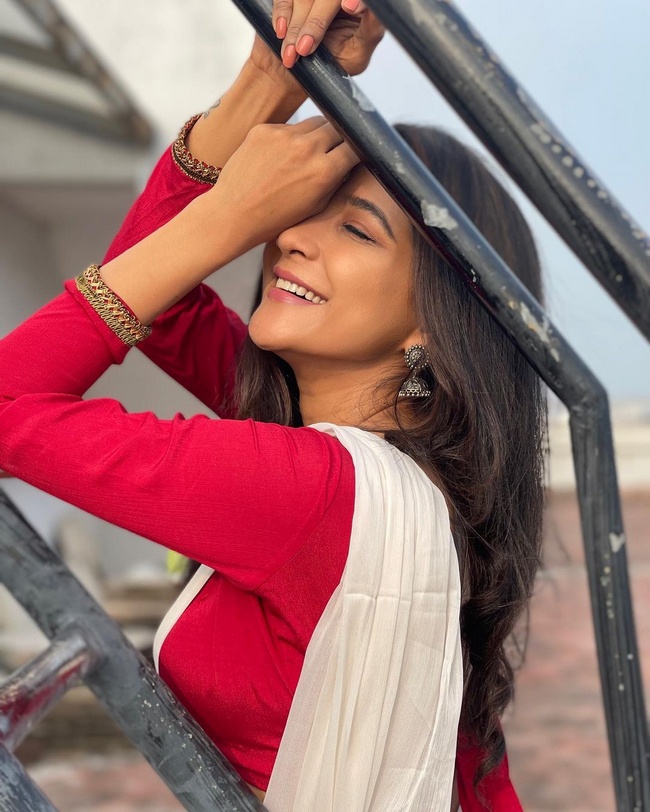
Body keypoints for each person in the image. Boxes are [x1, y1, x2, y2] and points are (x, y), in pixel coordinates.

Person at [0, 3, 545, 809]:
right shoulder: (407, 489)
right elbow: (157, 294)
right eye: (298, 209)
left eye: (357, 231)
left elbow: (9, 404)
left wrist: (227, 216)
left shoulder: (310, 489)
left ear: (437, 321)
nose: (288, 236)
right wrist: (269, 74)